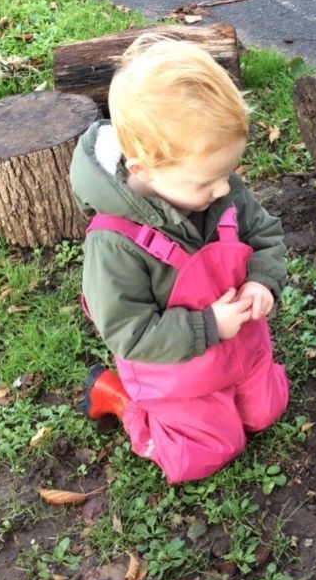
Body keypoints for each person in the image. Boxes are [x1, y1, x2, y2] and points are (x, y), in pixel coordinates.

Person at [69, 29, 289, 484]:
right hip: (178, 375)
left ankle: (231, 397)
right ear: (142, 171)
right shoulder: (113, 244)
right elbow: (130, 332)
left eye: (229, 173)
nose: (224, 190)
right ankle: (123, 402)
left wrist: (262, 281)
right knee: (206, 455)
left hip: (242, 353)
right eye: (207, 182)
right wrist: (207, 326)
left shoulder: (215, 190)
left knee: (268, 411)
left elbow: (265, 234)